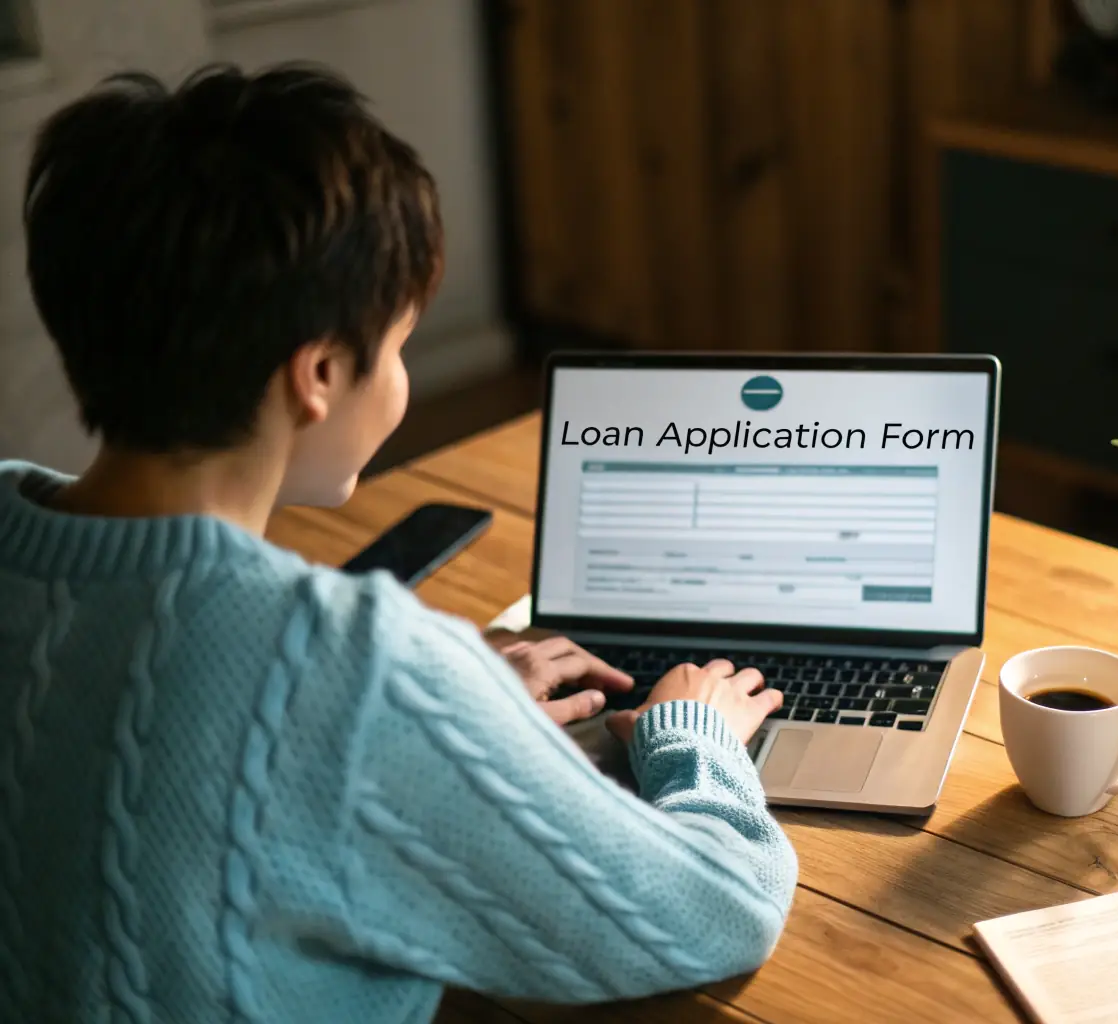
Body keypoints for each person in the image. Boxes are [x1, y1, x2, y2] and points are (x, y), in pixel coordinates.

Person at [0, 62, 797, 1023]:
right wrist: (694, 738)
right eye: (403, 340)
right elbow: (717, 912)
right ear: (322, 372)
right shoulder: (350, 668)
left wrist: (452, 723)